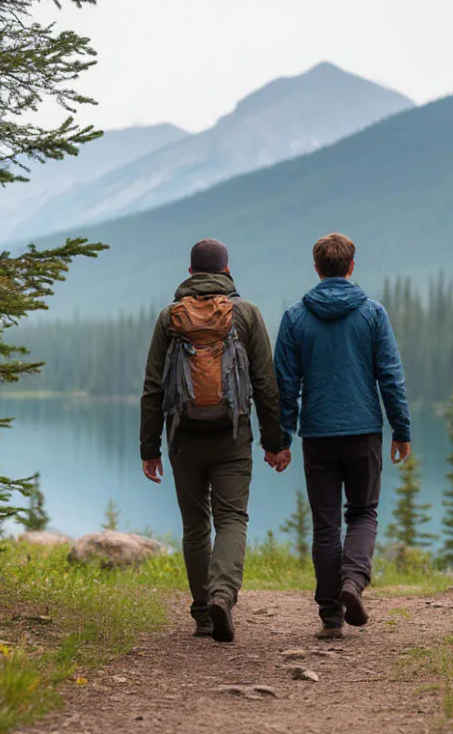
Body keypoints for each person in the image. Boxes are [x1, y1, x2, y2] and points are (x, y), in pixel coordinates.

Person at [140, 238, 287, 643]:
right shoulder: (246, 314)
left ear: (190, 274)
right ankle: (223, 594)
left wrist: (149, 449)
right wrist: (276, 442)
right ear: (227, 271)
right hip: (233, 434)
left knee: (194, 527)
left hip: (182, 436)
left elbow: (153, 387)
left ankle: (204, 614)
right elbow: (265, 385)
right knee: (231, 519)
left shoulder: (170, 316)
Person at [273, 232, 412, 640]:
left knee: (326, 525)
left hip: (317, 434)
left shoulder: (296, 316)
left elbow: (285, 384)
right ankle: (353, 581)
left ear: (317, 269)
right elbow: (390, 376)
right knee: (364, 513)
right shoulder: (373, 314)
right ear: (351, 267)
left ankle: (331, 617)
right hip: (363, 431)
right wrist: (401, 429)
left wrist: (282, 438)